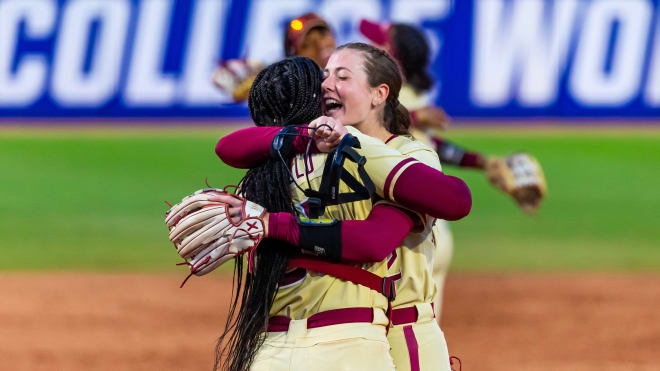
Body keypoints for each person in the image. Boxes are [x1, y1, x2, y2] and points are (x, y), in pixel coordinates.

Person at [216, 44, 465, 371]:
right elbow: (230, 146)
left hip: (407, 331)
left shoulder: (408, 155)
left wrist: (274, 226)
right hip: (351, 328)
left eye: (342, 76)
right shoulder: (319, 150)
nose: (327, 84)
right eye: (326, 75)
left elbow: (377, 239)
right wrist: (303, 135)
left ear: (379, 94)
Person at [360, 19, 547, 321]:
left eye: (378, 43)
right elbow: (432, 144)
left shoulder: (388, 97)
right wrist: (482, 162)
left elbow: (378, 118)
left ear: (391, 56)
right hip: (435, 237)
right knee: (423, 338)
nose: (369, 48)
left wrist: (415, 116)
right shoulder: (411, 99)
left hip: (407, 238)